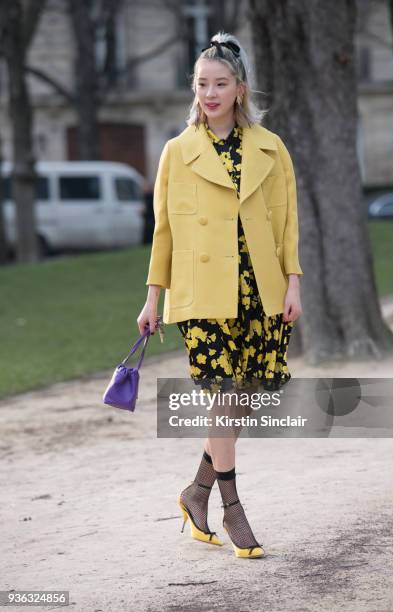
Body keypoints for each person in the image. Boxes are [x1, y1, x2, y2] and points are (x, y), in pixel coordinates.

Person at [138, 31, 303, 559]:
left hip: (261, 291)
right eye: (201, 84)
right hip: (200, 293)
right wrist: (152, 298)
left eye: (220, 83)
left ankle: (196, 492)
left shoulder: (270, 148)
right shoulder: (177, 152)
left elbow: (287, 225)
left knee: (240, 403)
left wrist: (293, 283)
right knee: (223, 396)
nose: (209, 93)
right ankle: (232, 506)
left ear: (240, 88)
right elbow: (163, 231)